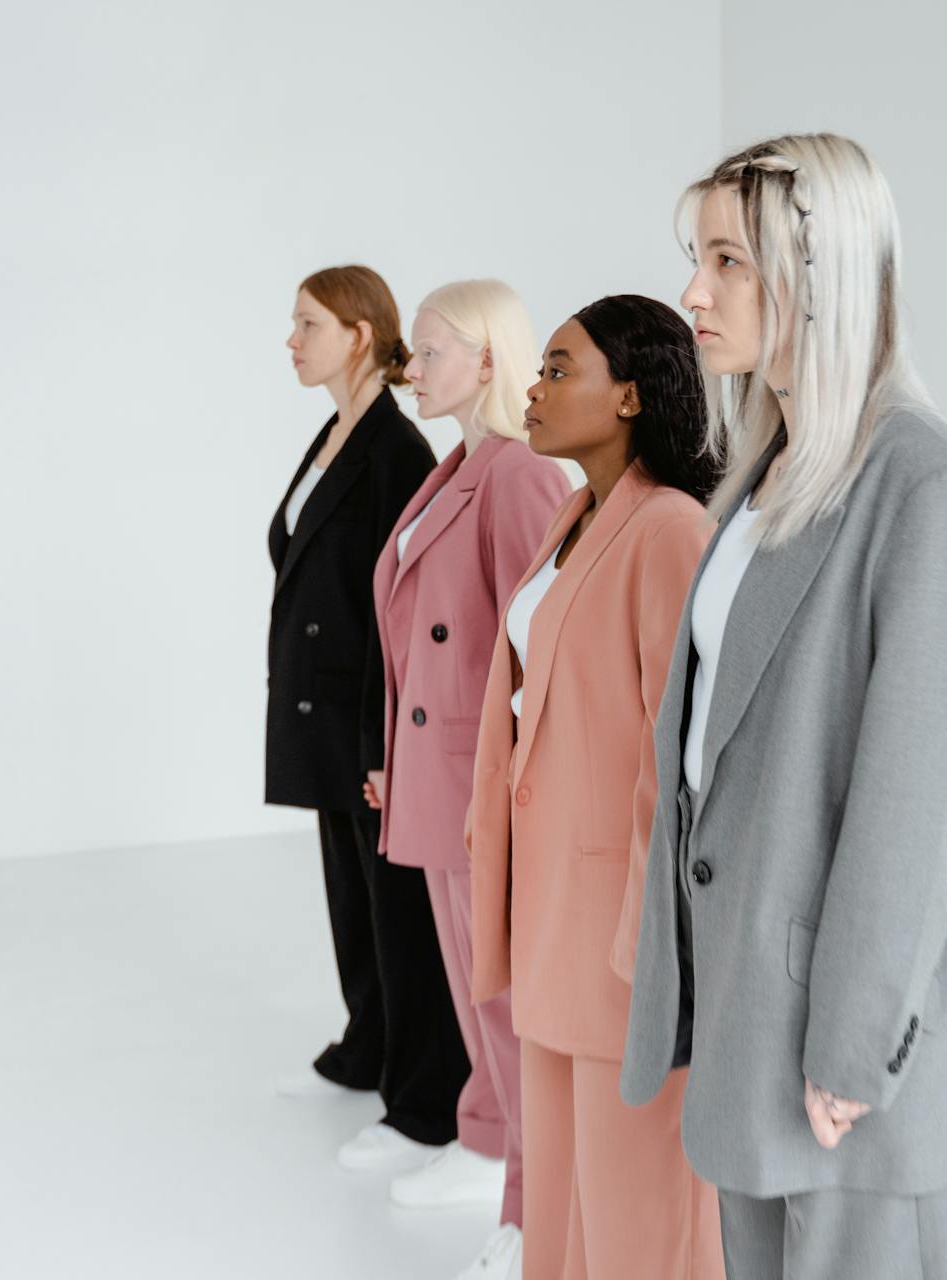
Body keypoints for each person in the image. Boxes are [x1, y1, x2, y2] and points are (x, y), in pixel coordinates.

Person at [620, 134, 947, 1280]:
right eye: (698, 257)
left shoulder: (930, 488)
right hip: (755, 1023)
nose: (695, 290)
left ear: (820, 268)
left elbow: (919, 800)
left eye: (728, 261)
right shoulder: (765, 473)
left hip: (852, 1065)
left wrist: (852, 1043)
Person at [468, 295, 726, 1280]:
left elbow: (687, 752)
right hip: (551, 913)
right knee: (566, 1206)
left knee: (638, 1211)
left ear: (629, 393)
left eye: (558, 369)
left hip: (623, 932)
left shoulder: (669, 530)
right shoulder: (575, 515)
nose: (532, 389)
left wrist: (648, 930)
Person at [369, 280, 571, 1277]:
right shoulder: (459, 466)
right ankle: (488, 1142)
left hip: (482, 779)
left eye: (434, 349)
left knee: (504, 992)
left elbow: (541, 643)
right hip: (438, 770)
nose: (414, 368)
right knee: (470, 984)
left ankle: (535, 1203)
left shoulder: (520, 474)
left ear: (490, 359)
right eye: (412, 350)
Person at [266, 264, 468, 1175]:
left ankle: (425, 1098)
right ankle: (366, 1046)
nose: (291, 340)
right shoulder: (333, 434)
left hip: (367, 713)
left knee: (398, 909)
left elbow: (410, 608)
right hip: (320, 702)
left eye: (308, 323)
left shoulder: (395, 451)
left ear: (357, 334)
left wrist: (384, 733)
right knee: (350, 891)